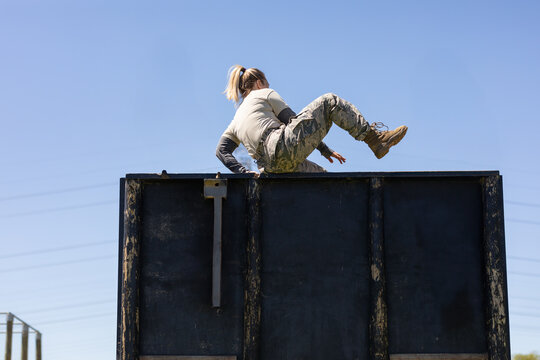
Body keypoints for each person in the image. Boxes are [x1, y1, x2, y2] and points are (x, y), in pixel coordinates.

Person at [216, 65, 407, 176]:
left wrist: (244, 173)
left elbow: (221, 151)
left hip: (269, 168)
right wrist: (324, 149)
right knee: (329, 101)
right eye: (266, 83)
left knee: (320, 179)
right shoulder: (264, 93)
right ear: (260, 83)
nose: (268, 86)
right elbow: (293, 121)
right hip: (280, 147)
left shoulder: (236, 119)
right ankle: (376, 140)